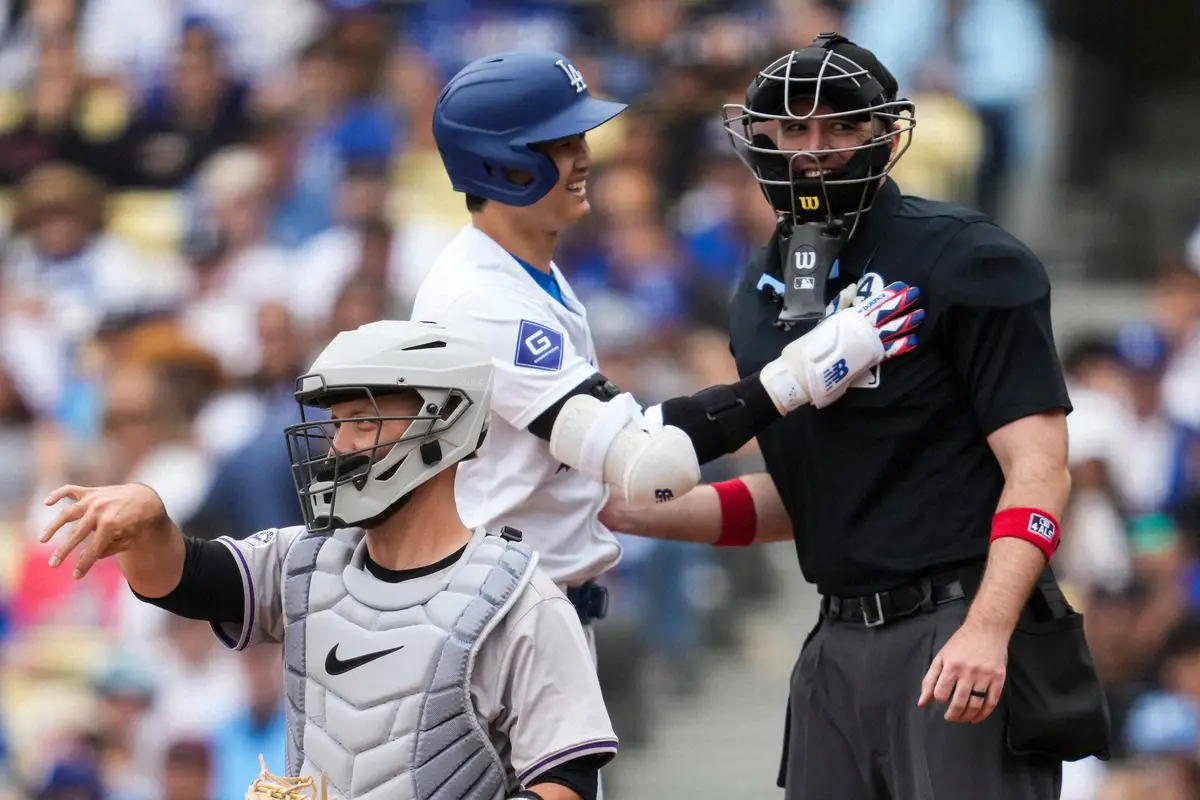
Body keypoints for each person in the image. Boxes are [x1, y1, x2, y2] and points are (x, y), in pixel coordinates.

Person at [601, 33, 1111, 799]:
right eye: (796, 127)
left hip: (952, 623)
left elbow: (1038, 468)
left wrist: (989, 627)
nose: (817, 148)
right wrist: (638, 516)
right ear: (759, 137)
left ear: (885, 134)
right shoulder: (761, 285)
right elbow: (807, 491)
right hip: (835, 640)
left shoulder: (970, 258)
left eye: (842, 125)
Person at [411, 49, 926, 635]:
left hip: (523, 609)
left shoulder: (526, 274)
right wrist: (798, 377)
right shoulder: (480, 298)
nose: (585, 158)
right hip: (496, 623)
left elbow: (614, 482)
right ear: (497, 164)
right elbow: (649, 465)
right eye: (560, 144)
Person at [40, 320, 618, 800]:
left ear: (446, 422)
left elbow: (567, 782)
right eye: (337, 424)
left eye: (363, 422)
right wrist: (149, 522)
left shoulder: (520, 598)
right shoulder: (305, 560)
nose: (339, 446)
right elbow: (185, 580)